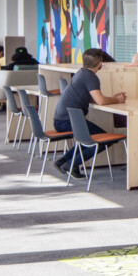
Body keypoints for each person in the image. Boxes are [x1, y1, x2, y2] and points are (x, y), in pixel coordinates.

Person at [53, 48, 127, 178]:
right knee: (103, 140)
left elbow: (94, 97)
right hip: (67, 121)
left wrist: (112, 98)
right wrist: (117, 99)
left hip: (62, 119)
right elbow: (101, 101)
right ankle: (72, 164)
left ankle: (63, 161)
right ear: (100, 62)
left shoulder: (81, 73)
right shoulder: (91, 77)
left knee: (88, 139)